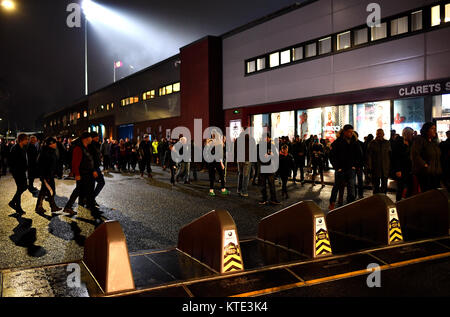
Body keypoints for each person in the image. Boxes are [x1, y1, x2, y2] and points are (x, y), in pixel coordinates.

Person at [63, 132, 98, 216]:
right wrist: (77, 174)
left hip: (88, 173)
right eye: (90, 137)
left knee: (85, 190)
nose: (91, 139)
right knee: (78, 190)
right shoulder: (78, 148)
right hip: (83, 174)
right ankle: (68, 207)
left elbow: (89, 160)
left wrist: (93, 170)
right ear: (86, 139)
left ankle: (90, 205)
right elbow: (75, 163)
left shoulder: (86, 147)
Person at [328, 125, 362, 210]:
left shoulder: (355, 142)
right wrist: (337, 167)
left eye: (352, 131)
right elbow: (332, 156)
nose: (351, 133)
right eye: (349, 132)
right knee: (337, 186)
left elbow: (360, 155)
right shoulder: (337, 142)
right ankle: (332, 203)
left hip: (351, 169)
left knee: (351, 188)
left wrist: (356, 165)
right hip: (341, 169)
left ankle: (350, 205)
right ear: (344, 132)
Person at [411, 122, 442, 192]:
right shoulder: (420, 140)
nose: (434, 131)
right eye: (432, 129)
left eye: (435, 129)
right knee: (427, 193)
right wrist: (424, 165)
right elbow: (415, 154)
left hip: (436, 172)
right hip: (425, 173)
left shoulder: (433, 142)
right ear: (426, 130)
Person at [35, 137, 62, 214]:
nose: (55, 144)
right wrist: (46, 176)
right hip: (47, 176)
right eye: (54, 143)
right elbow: (43, 165)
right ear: (50, 144)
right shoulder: (45, 152)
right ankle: (52, 206)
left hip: (49, 175)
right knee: (50, 190)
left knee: (44, 191)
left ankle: (39, 207)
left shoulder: (50, 151)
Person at [391, 127, 414, 202]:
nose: (412, 135)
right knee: (400, 187)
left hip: (409, 169)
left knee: (410, 186)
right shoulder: (398, 142)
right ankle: (398, 203)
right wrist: (397, 170)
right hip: (401, 169)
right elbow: (395, 157)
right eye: (411, 134)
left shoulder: (411, 142)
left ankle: (407, 201)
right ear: (406, 134)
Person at [8, 134, 29, 213]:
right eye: (26, 139)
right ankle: (17, 207)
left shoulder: (22, 148)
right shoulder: (15, 148)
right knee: (21, 188)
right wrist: (15, 170)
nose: (27, 141)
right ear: (21, 140)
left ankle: (13, 203)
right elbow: (12, 161)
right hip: (17, 172)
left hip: (22, 171)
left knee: (22, 188)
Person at [367, 129, 391, 194]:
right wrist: (370, 167)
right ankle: (376, 200)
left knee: (384, 186)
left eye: (381, 133)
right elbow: (369, 156)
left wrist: (389, 166)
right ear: (376, 134)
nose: (379, 135)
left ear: (383, 134)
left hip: (385, 167)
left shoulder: (387, 143)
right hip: (375, 167)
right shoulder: (372, 143)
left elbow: (390, 155)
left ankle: (384, 199)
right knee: (376, 186)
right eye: (378, 133)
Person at [258, 134, 280, 205]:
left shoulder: (272, 146)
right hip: (263, 168)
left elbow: (276, 155)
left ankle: (273, 199)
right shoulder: (259, 146)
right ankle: (264, 199)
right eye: (265, 138)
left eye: (268, 138)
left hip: (270, 168)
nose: (267, 139)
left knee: (272, 184)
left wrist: (272, 155)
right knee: (263, 185)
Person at [88, 132, 105, 206]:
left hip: (96, 167)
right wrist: (93, 170)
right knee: (100, 182)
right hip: (93, 168)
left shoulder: (96, 145)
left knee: (95, 184)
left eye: (97, 136)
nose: (97, 137)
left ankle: (90, 199)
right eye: (95, 136)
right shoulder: (91, 145)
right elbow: (91, 158)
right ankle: (90, 199)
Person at [235, 131, 253, 198]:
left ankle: (239, 189)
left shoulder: (238, 139)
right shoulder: (251, 139)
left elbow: (235, 149)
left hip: (239, 159)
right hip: (247, 159)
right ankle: (244, 191)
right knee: (246, 176)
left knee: (240, 174)